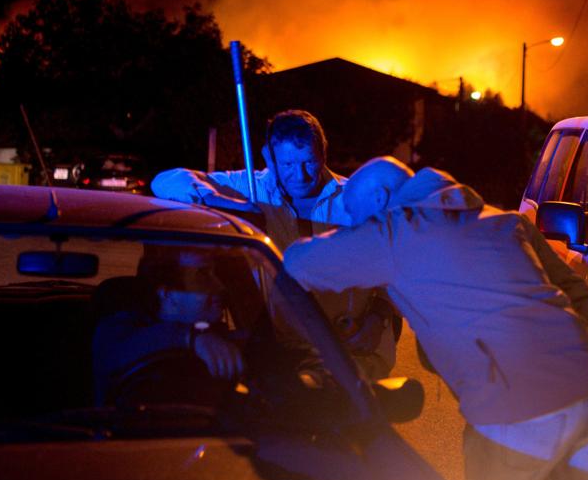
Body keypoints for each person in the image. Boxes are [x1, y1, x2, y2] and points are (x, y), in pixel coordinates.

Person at [284, 157, 588, 480]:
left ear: (381, 198)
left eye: (354, 215)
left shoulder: (397, 231)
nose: (354, 224)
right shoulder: (501, 219)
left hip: (518, 407)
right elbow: (574, 288)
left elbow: (298, 263)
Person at [151, 109, 397, 379]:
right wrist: (220, 201)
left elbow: (395, 265)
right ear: (270, 158)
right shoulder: (249, 186)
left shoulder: (357, 197)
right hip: (279, 354)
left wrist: (379, 317)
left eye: (309, 162)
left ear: (323, 153)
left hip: (352, 351)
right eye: (288, 165)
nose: (300, 175)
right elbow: (165, 180)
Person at [93, 246, 244, 405]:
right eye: (202, 274)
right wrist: (190, 336)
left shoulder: (217, 335)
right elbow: (120, 349)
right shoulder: (116, 331)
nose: (220, 286)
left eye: (215, 274)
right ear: (166, 293)